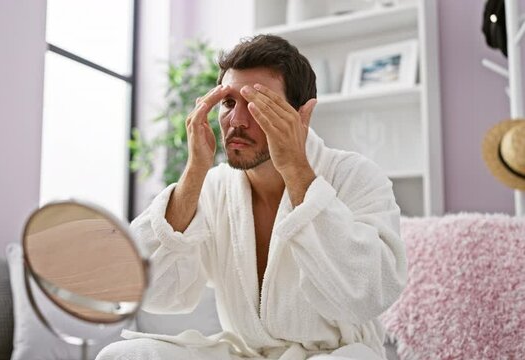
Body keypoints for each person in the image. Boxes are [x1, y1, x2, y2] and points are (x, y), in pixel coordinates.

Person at [96, 34, 406, 360]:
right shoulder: (214, 187)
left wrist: (297, 169)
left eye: (260, 104)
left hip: (335, 355)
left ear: (302, 116)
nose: (237, 121)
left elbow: (370, 292)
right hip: (245, 355)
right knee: (122, 355)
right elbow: (149, 289)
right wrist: (194, 172)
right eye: (229, 103)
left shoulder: (354, 175)